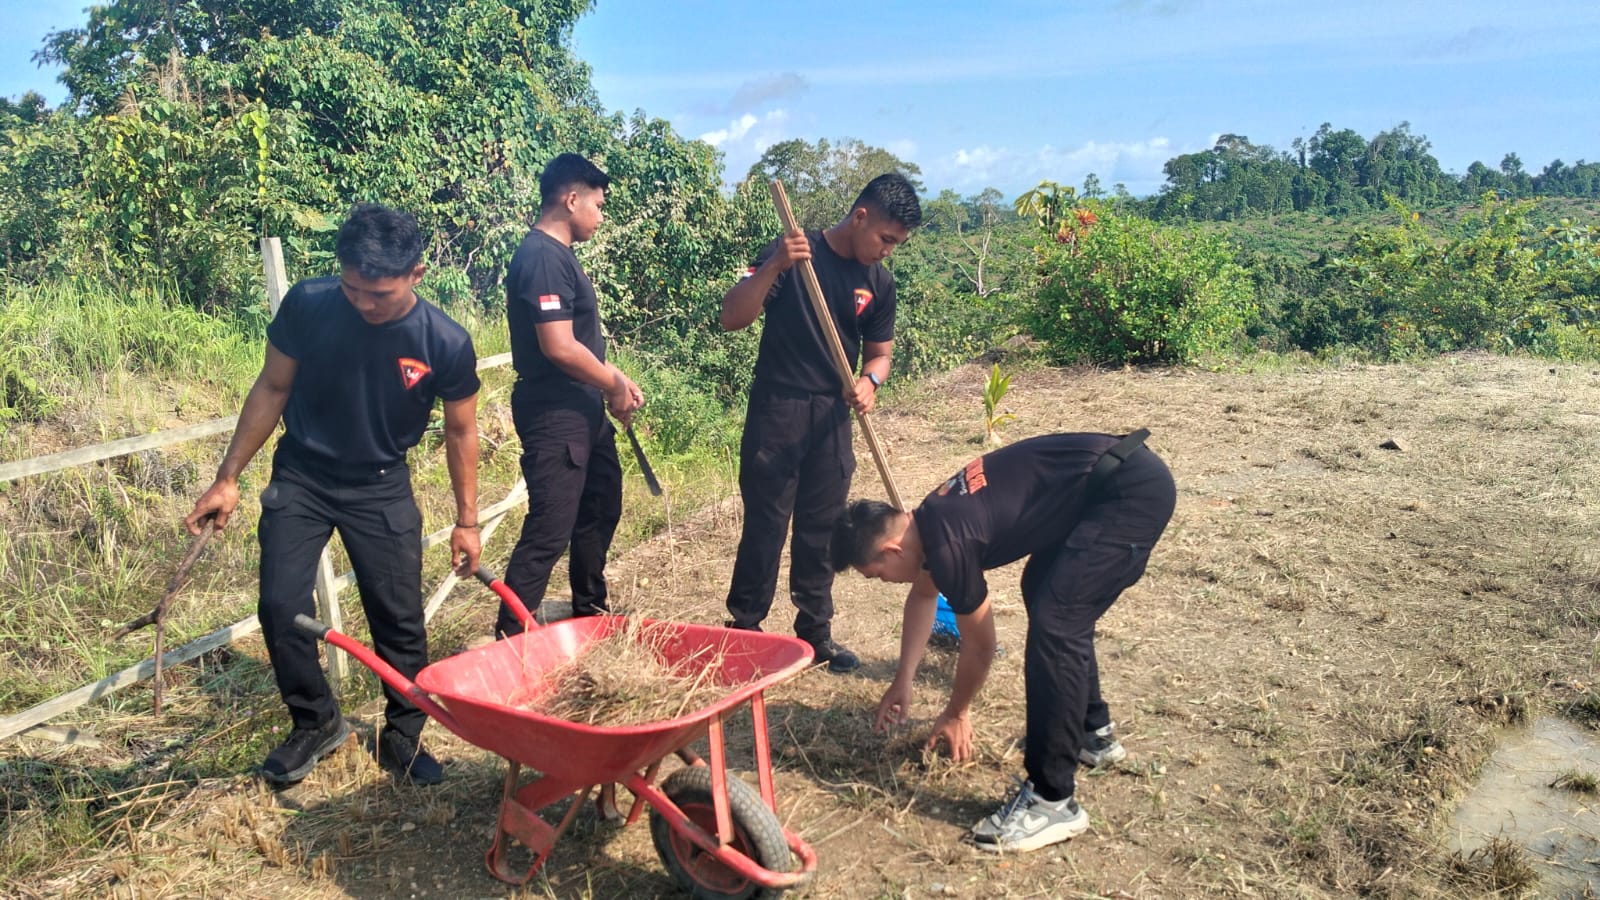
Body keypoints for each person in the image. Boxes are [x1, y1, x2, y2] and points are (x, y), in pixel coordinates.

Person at [185, 203, 482, 787]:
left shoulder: (444, 341)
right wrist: (228, 477)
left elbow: (461, 429)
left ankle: (402, 733)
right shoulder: (311, 304)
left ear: (416, 274)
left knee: (398, 620)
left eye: (380, 294)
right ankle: (316, 721)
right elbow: (272, 385)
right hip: (302, 476)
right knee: (280, 606)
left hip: (381, 485)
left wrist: (467, 520)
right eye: (353, 289)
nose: (364, 304)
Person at [830, 430, 1176, 852]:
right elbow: (922, 594)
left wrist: (957, 711)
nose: (883, 582)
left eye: (876, 574)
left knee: (1057, 620)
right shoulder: (929, 519)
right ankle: (1091, 731)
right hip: (1105, 484)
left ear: (891, 551)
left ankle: (1052, 800)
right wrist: (903, 680)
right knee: (1044, 589)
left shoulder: (949, 543)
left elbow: (980, 645)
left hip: (1128, 492)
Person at [721, 173, 922, 673]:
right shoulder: (796, 251)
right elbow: (732, 315)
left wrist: (871, 382)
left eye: (896, 244)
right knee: (766, 524)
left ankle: (815, 634)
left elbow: (880, 356)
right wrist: (775, 264)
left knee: (823, 527)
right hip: (778, 408)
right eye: (885, 239)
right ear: (860, 217)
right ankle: (744, 629)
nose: (887, 251)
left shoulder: (878, 282)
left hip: (833, 414)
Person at [497, 153, 643, 637]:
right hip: (555, 412)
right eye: (598, 205)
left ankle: (590, 612)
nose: (601, 216)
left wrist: (611, 375)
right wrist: (614, 384)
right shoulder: (541, 256)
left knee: (600, 505)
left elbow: (576, 341)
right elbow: (558, 347)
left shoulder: (560, 256)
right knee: (549, 530)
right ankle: (509, 639)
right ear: (572, 198)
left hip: (583, 408)